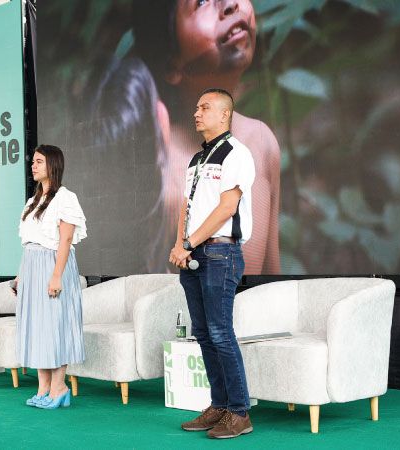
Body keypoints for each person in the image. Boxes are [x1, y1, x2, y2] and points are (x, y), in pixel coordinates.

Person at [99, 0, 280, 274]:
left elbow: (273, 283)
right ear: (172, 64)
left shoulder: (262, 142)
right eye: (202, 2)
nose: (230, 5)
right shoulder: (159, 169)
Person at [169, 89, 254, 439]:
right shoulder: (196, 158)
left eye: (205, 107)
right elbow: (186, 207)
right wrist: (180, 244)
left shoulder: (237, 153)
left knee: (220, 332)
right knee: (203, 333)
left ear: (225, 114)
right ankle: (219, 405)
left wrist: (190, 242)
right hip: (194, 254)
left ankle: (239, 412)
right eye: (196, 106)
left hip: (221, 253)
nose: (196, 112)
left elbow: (227, 208)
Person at [13, 145, 87, 409]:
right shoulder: (32, 202)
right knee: (38, 328)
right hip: (32, 267)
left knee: (56, 326)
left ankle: (59, 387)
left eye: (39, 161)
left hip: (53, 265)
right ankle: (43, 387)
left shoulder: (66, 198)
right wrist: (21, 276)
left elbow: (65, 240)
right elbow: (29, 243)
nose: (33, 166)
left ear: (52, 165)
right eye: (33, 161)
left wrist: (56, 276)